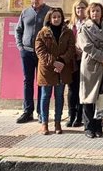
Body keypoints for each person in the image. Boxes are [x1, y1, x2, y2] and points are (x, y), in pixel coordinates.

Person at [35, 7, 75, 136]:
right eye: (54, 17)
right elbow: (40, 50)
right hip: (47, 69)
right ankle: (44, 123)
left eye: (58, 16)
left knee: (59, 96)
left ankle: (57, 122)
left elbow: (71, 48)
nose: (56, 19)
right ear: (50, 19)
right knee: (45, 96)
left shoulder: (68, 32)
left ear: (62, 18)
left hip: (62, 69)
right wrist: (54, 62)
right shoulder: (43, 32)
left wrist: (62, 61)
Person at [15, 0, 51, 123]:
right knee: (27, 81)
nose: (34, 1)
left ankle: (41, 112)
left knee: (42, 82)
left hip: (43, 53)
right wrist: (20, 46)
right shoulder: (25, 12)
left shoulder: (49, 12)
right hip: (27, 52)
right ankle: (27, 111)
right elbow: (19, 30)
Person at [77, 2, 103, 138]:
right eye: (92, 11)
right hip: (91, 64)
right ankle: (88, 127)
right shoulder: (84, 28)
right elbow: (86, 46)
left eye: (97, 11)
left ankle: (98, 126)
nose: (95, 13)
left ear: (101, 12)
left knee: (100, 97)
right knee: (88, 96)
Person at [66, 0, 87, 127]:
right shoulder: (69, 24)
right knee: (72, 89)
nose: (80, 10)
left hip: (85, 59)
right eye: (78, 8)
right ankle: (71, 115)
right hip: (72, 61)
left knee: (83, 88)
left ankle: (80, 116)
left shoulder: (89, 23)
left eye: (83, 8)